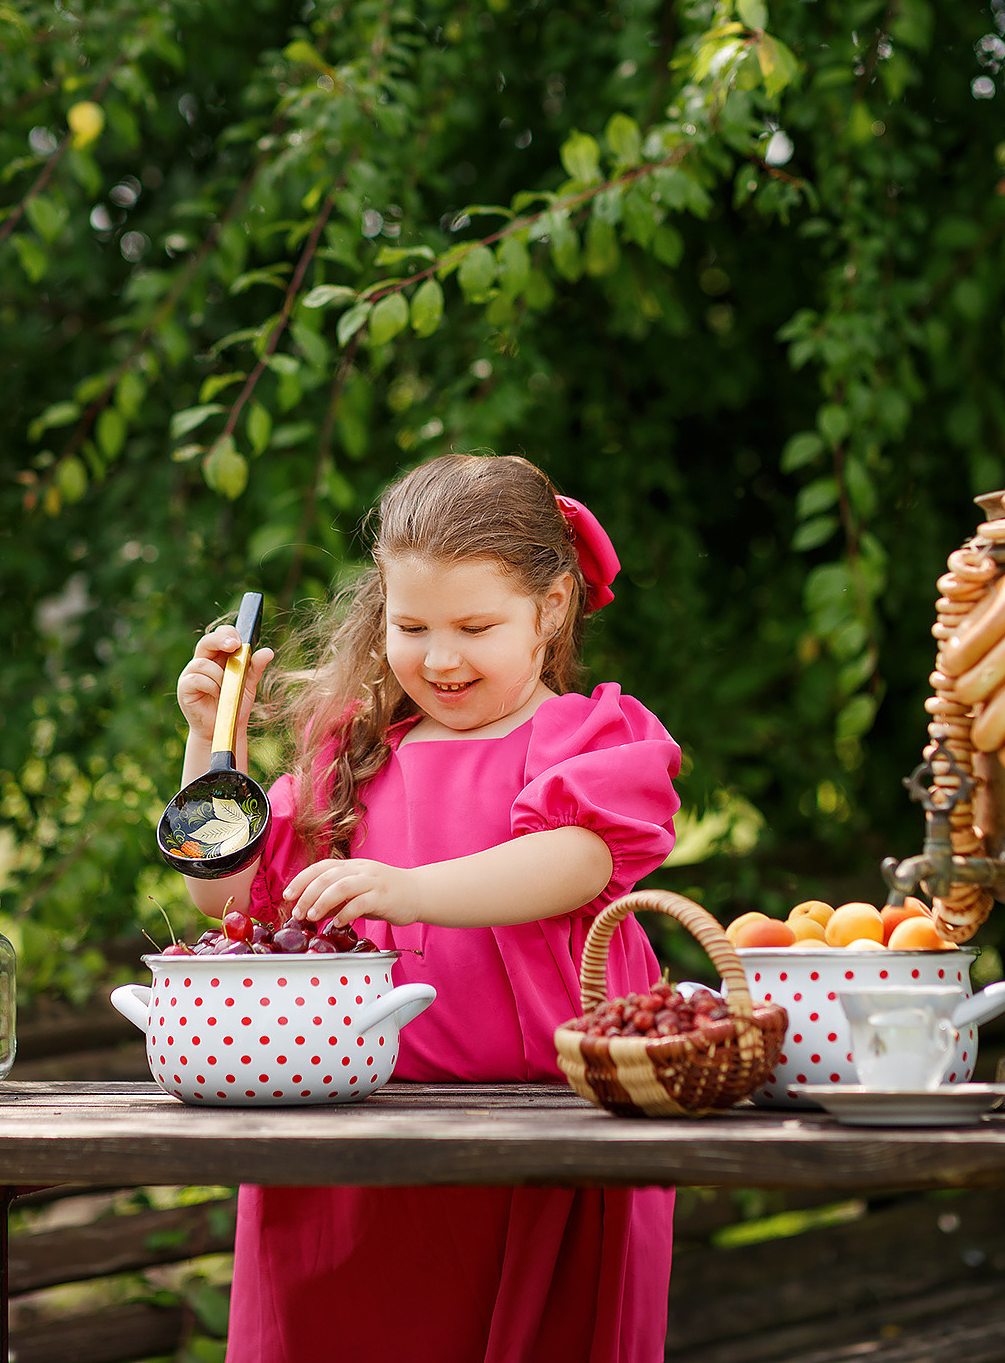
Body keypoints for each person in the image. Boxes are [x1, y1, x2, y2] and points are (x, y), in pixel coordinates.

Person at [173, 452, 682, 1363]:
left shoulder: (582, 736)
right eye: (411, 626)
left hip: (546, 1144)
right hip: (356, 1148)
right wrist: (214, 746)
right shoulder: (354, 757)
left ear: (551, 607)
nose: (440, 658)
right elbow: (226, 896)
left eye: (475, 627)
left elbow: (579, 859)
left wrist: (413, 889)